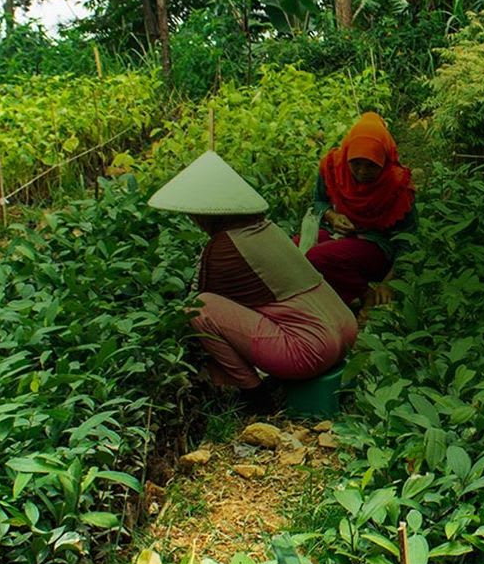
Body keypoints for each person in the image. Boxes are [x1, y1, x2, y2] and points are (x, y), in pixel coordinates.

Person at [149, 151, 358, 395]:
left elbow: (202, 302)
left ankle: (253, 392)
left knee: (200, 307)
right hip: (345, 329)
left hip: (310, 350)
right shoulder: (268, 229)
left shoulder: (225, 246)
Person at [303, 112, 416, 310]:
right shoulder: (333, 167)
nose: (362, 171)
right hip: (341, 235)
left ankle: (365, 295)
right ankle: (341, 298)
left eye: (371, 165)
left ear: (384, 160)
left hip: (376, 246)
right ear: (346, 155)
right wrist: (333, 216)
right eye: (355, 163)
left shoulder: (397, 186)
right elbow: (319, 201)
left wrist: (390, 282)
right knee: (296, 249)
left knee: (319, 257)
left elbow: (408, 239)